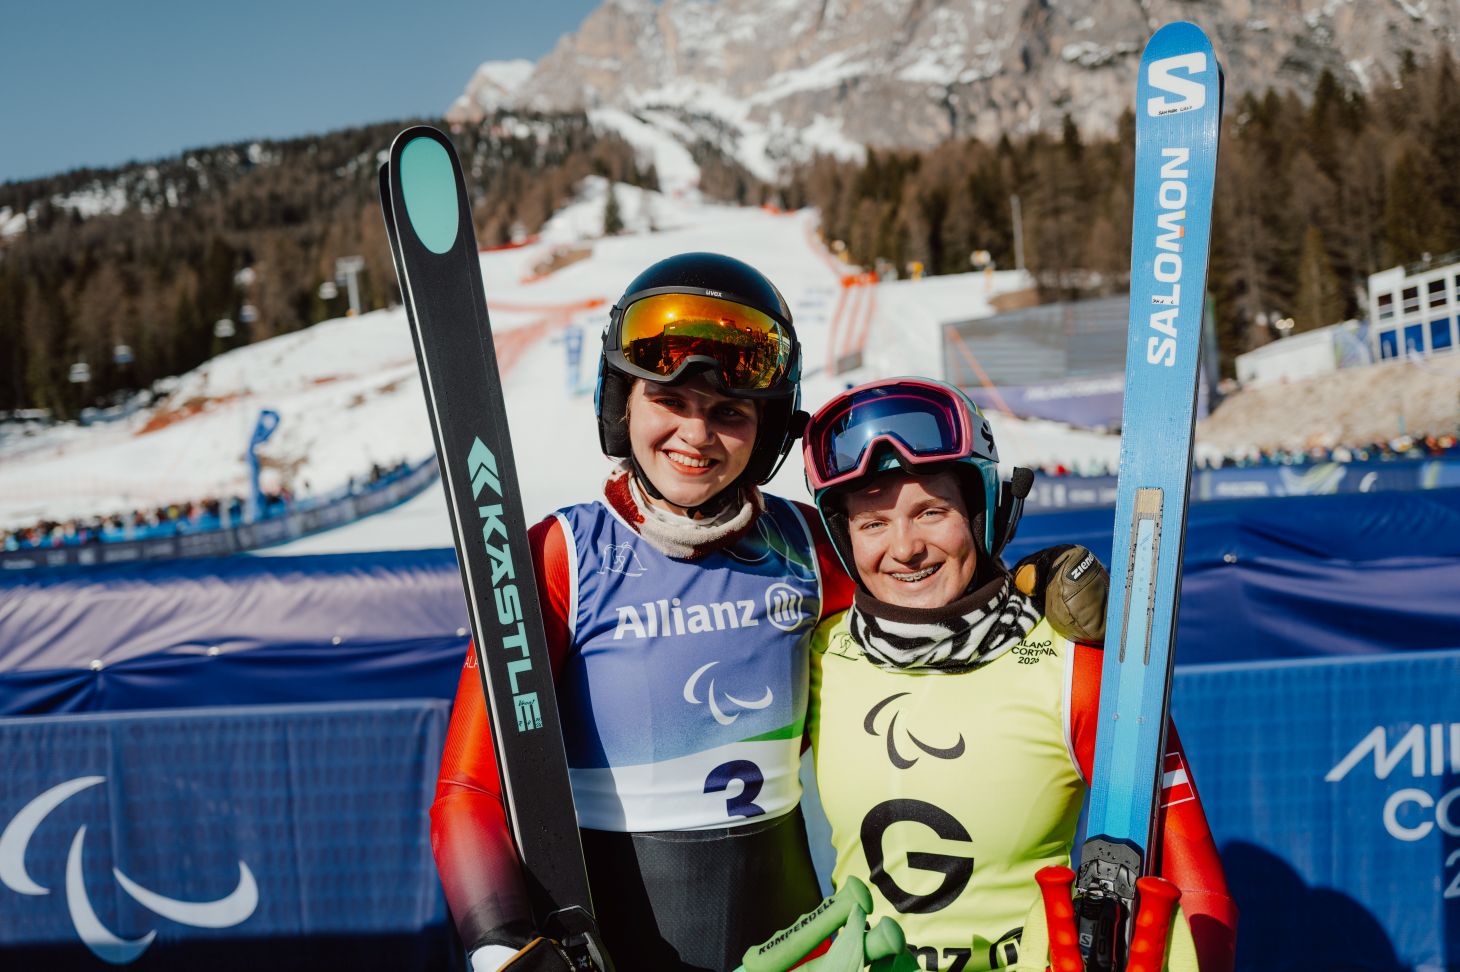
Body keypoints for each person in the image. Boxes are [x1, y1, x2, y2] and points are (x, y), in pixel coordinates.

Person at [430, 255, 1103, 972]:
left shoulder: (808, 546)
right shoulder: (559, 557)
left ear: (769, 430)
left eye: (729, 413)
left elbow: (928, 603)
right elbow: (467, 790)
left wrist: (1032, 582)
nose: (697, 434)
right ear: (622, 403)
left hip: (796, 945)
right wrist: (502, 942)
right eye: (670, 402)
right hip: (611, 944)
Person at [800, 378, 1236, 972]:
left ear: (984, 513)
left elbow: (1199, 885)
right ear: (844, 538)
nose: (905, 548)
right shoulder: (817, 655)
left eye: (932, 511)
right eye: (873, 523)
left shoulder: (1074, 664)